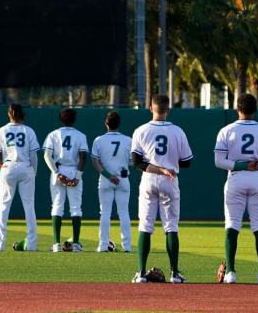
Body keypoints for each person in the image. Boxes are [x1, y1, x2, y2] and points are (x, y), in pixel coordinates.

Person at [214, 93, 258, 284]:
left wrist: (242, 165)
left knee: (232, 225)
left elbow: (219, 161)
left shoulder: (227, 130)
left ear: (238, 109)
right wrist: (256, 163)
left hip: (236, 178)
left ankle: (231, 272)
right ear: (255, 109)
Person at [130, 94, 193, 283]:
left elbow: (136, 162)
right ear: (168, 110)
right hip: (170, 179)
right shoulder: (178, 131)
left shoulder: (141, 130)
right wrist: (168, 165)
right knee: (171, 227)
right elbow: (187, 162)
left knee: (145, 226)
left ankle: (141, 273)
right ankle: (174, 273)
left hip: (149, 178)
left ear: (151, 108)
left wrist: (157, 167)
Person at [0, 103, 40, 252]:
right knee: (29, 206)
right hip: (26, 167)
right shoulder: (29, 130)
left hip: (8, 168)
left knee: (3, 206)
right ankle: (31, 244)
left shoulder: (1, 130)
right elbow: (34, 156)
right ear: (23, 114)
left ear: (9, 114)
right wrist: (34, 172)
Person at [43, 107, 89, 252]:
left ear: (60, 119)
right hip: (74, 169)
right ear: (74, 120)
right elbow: (83, 157)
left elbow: (46, 156)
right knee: (76, 208)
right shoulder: (81, 135)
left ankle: (56, 244)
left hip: (59, 169)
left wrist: (57, 173)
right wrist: (77, 177)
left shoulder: (53, 134)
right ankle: (75, 244)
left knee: (57, 206)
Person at [90, 110, 134, 253]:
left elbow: (95, 163)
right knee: (124, 212)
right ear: (119, 124)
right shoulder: (128, 140)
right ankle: (126, 246)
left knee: (104, 213)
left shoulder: (98, 140)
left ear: (106, 123)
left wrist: (108, 175)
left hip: (105, 180)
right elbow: (133, 162)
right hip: (123, 179)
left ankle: (103, 245)